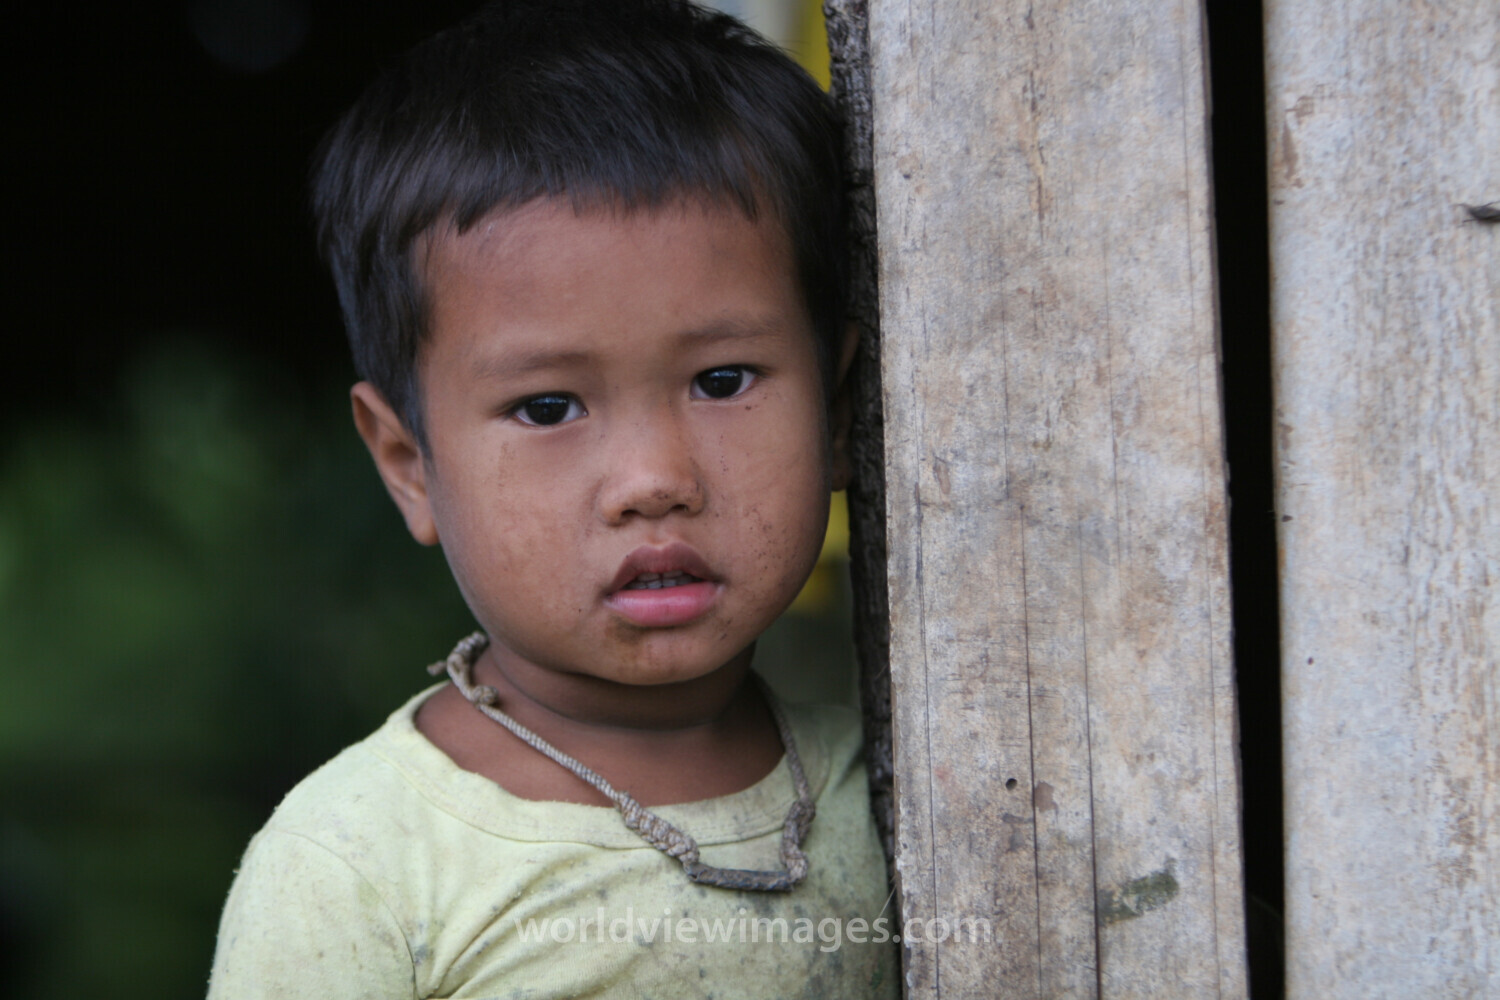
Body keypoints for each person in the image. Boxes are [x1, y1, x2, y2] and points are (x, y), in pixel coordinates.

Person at [206, 1, 898, 996]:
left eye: (721, 380)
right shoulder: (361, 866)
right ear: (410, 463)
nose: (655, 479)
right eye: (546, 405)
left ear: (836, 416)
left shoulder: (913, 783)